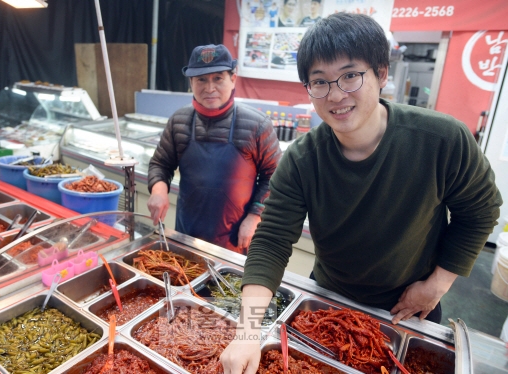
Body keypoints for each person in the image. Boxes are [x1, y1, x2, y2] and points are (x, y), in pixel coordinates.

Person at [220, 13, 502, 373]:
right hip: (328, 301)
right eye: (319, 82)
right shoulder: (303, 158)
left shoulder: (441, 139)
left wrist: (437, 285)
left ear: (381, 73)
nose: (335, 95)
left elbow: (480, 211)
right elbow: (272, 240)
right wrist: (247, 333)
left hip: (411, 305)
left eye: (350, 76)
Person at [147, 44, 281, 254]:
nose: (209, 88)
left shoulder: (258, 124)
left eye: (218, 78)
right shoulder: (179, 120)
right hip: (186, 235)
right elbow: (160, 163)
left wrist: (256, 215)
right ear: (191, 82)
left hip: (236, 239)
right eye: (201, 79)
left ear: (233, 79)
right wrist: (159, 190)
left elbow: (275, 177)